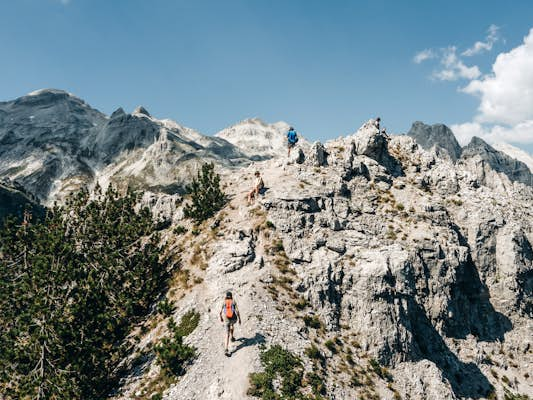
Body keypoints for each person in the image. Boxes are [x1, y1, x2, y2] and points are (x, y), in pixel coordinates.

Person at [219, 291, 241, 356]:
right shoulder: (233, 301)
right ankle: (232, 337)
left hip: (226, 318)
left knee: (226, 334)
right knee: (232, 324)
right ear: (231, 296)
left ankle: (226, 349)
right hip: (233, 318)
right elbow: (237, 311)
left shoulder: (224, 302)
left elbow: (220, 312)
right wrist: (239, 319)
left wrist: (221, 318)